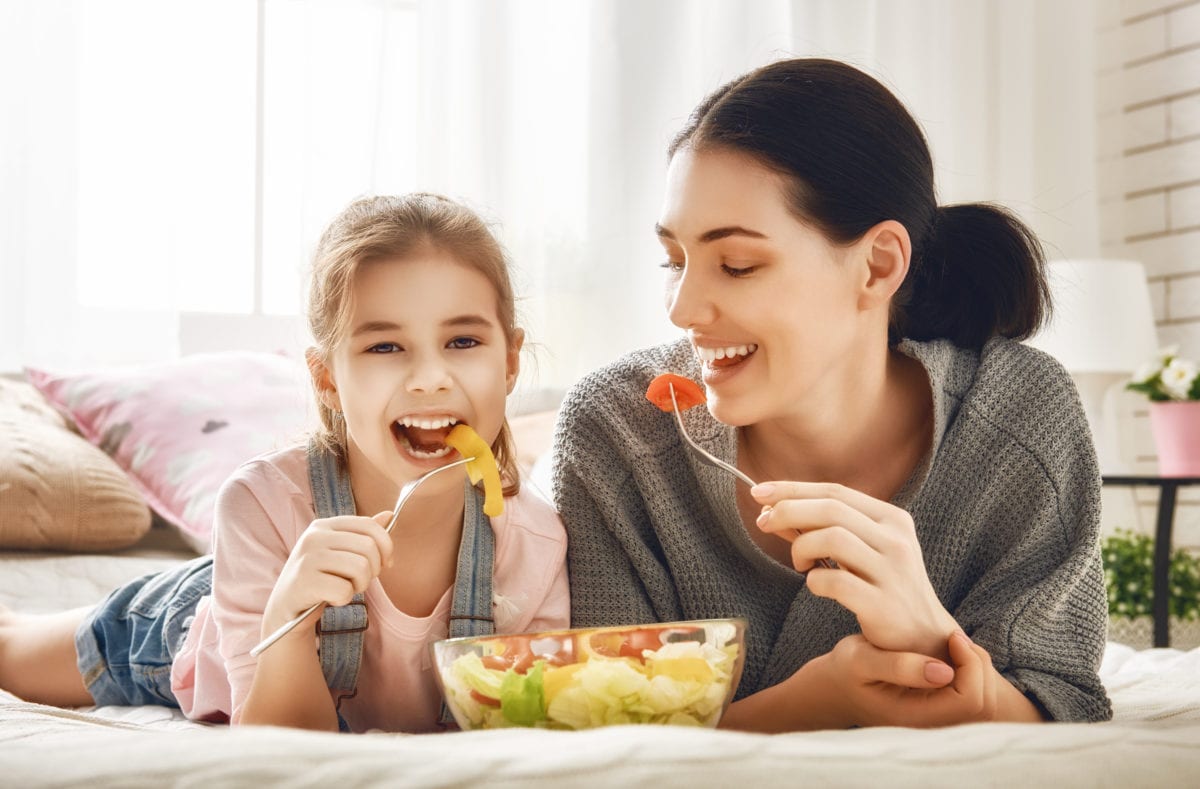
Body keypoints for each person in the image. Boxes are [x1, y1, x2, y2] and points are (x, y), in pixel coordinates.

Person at [552, 58, 1112, 731]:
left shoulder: (1021, 417)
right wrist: (811, 704)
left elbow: (1066, 709)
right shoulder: (616, 428)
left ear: (877, 264)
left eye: (736, 264)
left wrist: (937, 646)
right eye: (675, 261)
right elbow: (604, 733)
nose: (682, 308)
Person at [0, 193, 569, 733]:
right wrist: (288, 623)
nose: (429, 378)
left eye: (463, 342)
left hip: (251, 583)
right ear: (327, 379)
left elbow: (527, 726)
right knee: (12, 652)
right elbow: (282, 751)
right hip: (202, 624)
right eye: (384, 347)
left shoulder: (537, 544)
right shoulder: (259, 503)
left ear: (511, 360)